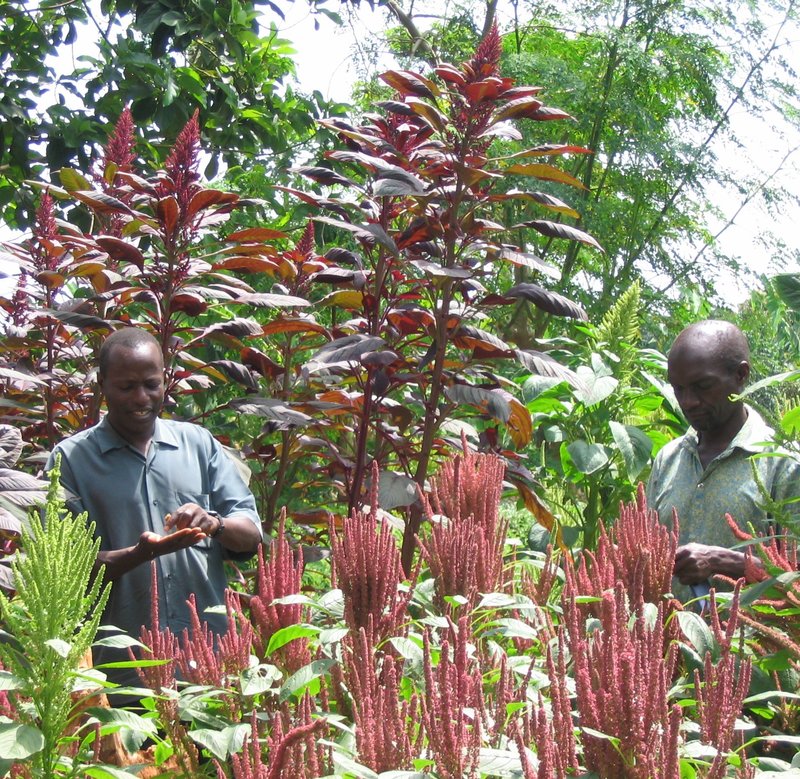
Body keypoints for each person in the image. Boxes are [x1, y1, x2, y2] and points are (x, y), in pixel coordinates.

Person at [46, 328, 262, 688]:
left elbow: (251, 535)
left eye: (151, 384)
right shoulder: (69, 460)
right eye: (127, 386)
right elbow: (59, 571)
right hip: (120, 677)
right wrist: (137, 554)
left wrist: (214, 523)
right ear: (102, 384)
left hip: (207, 670)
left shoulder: (198, 444)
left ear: (164, 379)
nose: (141, 397)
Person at [647, 320, 800, 599]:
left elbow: (795, 579)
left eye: (703, 386)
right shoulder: (667, 459)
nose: (688, 401)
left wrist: (724, 562)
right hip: (668, 639)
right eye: (678, 388)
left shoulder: (782, 465)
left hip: (752, 641)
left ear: (741, 375)